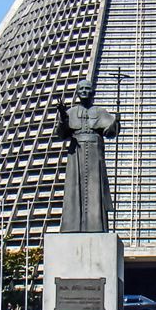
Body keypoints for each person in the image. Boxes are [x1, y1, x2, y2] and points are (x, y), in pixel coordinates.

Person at [55, 79, 120, 232]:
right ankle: (72, 226)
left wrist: (115, 121)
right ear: (77, 92)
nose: (84, 91)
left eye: (87, 89)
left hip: (94, 152)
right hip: (75, 152)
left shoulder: (100, 112)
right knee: (74, 188)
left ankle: (95, 225)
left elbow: (110, 132)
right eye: (81, 89)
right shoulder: (70, 112)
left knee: (95, 188)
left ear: (93, 92)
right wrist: (63, 117)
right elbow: (62, 134)